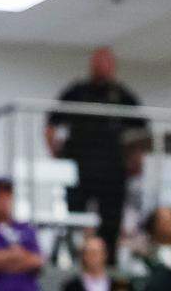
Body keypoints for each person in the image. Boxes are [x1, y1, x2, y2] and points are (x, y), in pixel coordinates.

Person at [46, 48, 143, 264]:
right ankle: (73, 260)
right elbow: (51, 123)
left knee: (111, 222)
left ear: (113, 66)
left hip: (112, 170)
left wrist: (136, 160)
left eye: (106, 62)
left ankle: (109, 263)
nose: (102, 67)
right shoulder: (77, 92)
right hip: (80, 167)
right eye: (98, 62)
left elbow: (141, 131)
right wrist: (55, 151)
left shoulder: (122, 95)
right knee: (74, 219)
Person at [131, 207, 171, 277]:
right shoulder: (140, 252)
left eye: (169, 221)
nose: (164, 225)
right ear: (152, 224)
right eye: (160, 221)